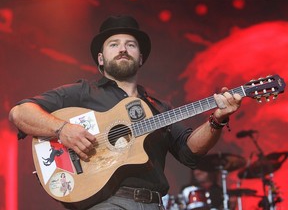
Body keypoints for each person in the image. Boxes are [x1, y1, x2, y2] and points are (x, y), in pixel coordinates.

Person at [9, 15, 242, 210]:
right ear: (101, 59)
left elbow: (190, 152)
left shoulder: (159, 108)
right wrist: (63, 129)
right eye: (114, 44)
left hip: (154, 204)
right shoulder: (83, 92)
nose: (122, 49)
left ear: (140, 58)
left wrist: (217, 120)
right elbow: (20, 113)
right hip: (105, 203)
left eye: (130, 45)